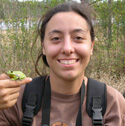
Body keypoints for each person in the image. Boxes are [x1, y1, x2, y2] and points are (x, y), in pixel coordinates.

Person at [0, 1, 125, 126]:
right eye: (56, 38)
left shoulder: (112, 103)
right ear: (43, 46)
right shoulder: (13, 99)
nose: (67, 48)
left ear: (91, 46)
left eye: (78, 37)